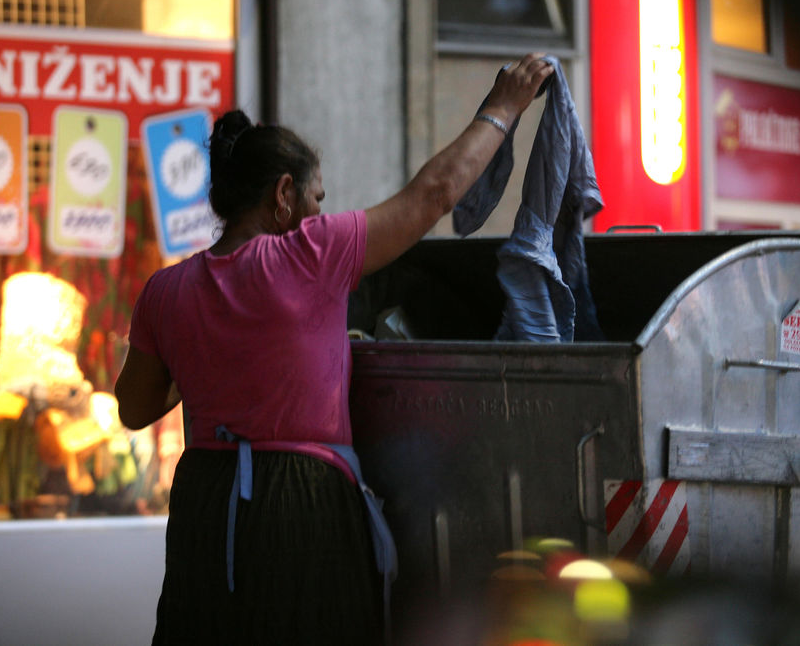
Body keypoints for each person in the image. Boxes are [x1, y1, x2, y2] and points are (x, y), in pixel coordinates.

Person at [114, 52, 555, 644]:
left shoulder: (164, 292)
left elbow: (134, 408)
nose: (320, 211)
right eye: (316, 198)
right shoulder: (309, 253)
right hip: (299, 502)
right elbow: (434, 194)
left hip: (205, 505)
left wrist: (208, 355)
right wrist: (502, 108)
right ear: (284, 194)